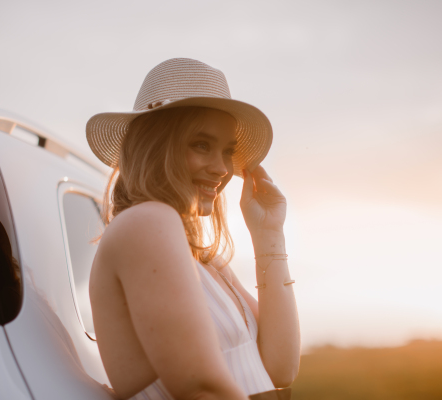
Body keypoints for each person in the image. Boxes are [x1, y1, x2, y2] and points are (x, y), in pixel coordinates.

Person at [86, 58, 300, 400]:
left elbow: (279, 368)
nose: (222, 168)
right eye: (201, 145)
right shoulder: (146, 222)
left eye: (227, 151)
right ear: (155, 146)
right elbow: (202, 389)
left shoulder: (205, 261)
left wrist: (269, 234)